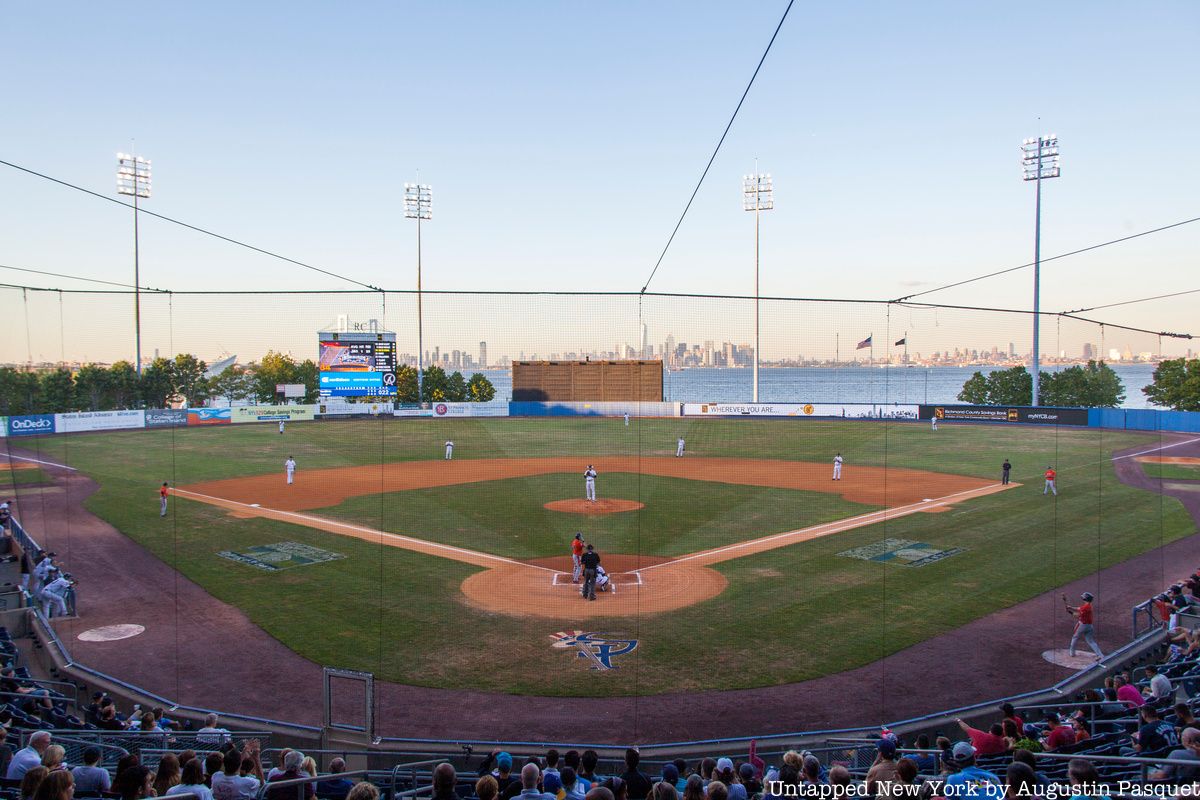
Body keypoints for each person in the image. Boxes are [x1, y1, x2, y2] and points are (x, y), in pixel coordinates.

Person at [1064, 591, 1103, 659]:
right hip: (1090, 626)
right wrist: (1071, 607)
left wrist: (1069, 612)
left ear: (1085, 598)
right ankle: (1100, 654)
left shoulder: (1085, 608)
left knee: (1075, 637)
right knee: (1090, 641)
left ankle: (1072, 653)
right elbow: (1079, 608)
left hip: (1082, 625)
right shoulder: (1088, 606)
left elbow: (1077, 615)